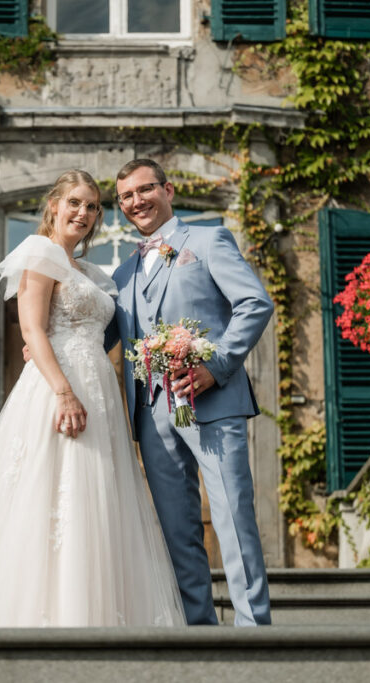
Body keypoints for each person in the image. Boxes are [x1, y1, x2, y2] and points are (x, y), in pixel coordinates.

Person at [0, 170, 186, 628]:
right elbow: (32, 327)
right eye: (75, 202)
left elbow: (108, 331)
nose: (84, 214)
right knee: (53, 494)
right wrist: (64, 392)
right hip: (60, 390)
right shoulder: (40, 253)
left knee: (98, 500)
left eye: (92, 207)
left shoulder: (91, 272)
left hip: (100, 394)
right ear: (54, 205)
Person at [105, 158, 274, 626]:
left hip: (214, 405)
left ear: (168, 189)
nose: (136, 201)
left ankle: (255, 629)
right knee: (177, 532)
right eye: (126, 197)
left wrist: (214, 366)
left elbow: (254, 303)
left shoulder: (207, 240)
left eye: (145, 190)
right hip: (152, 418)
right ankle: (199, 631)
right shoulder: (121, 275)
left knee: (234, 519)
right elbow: (101, 340)